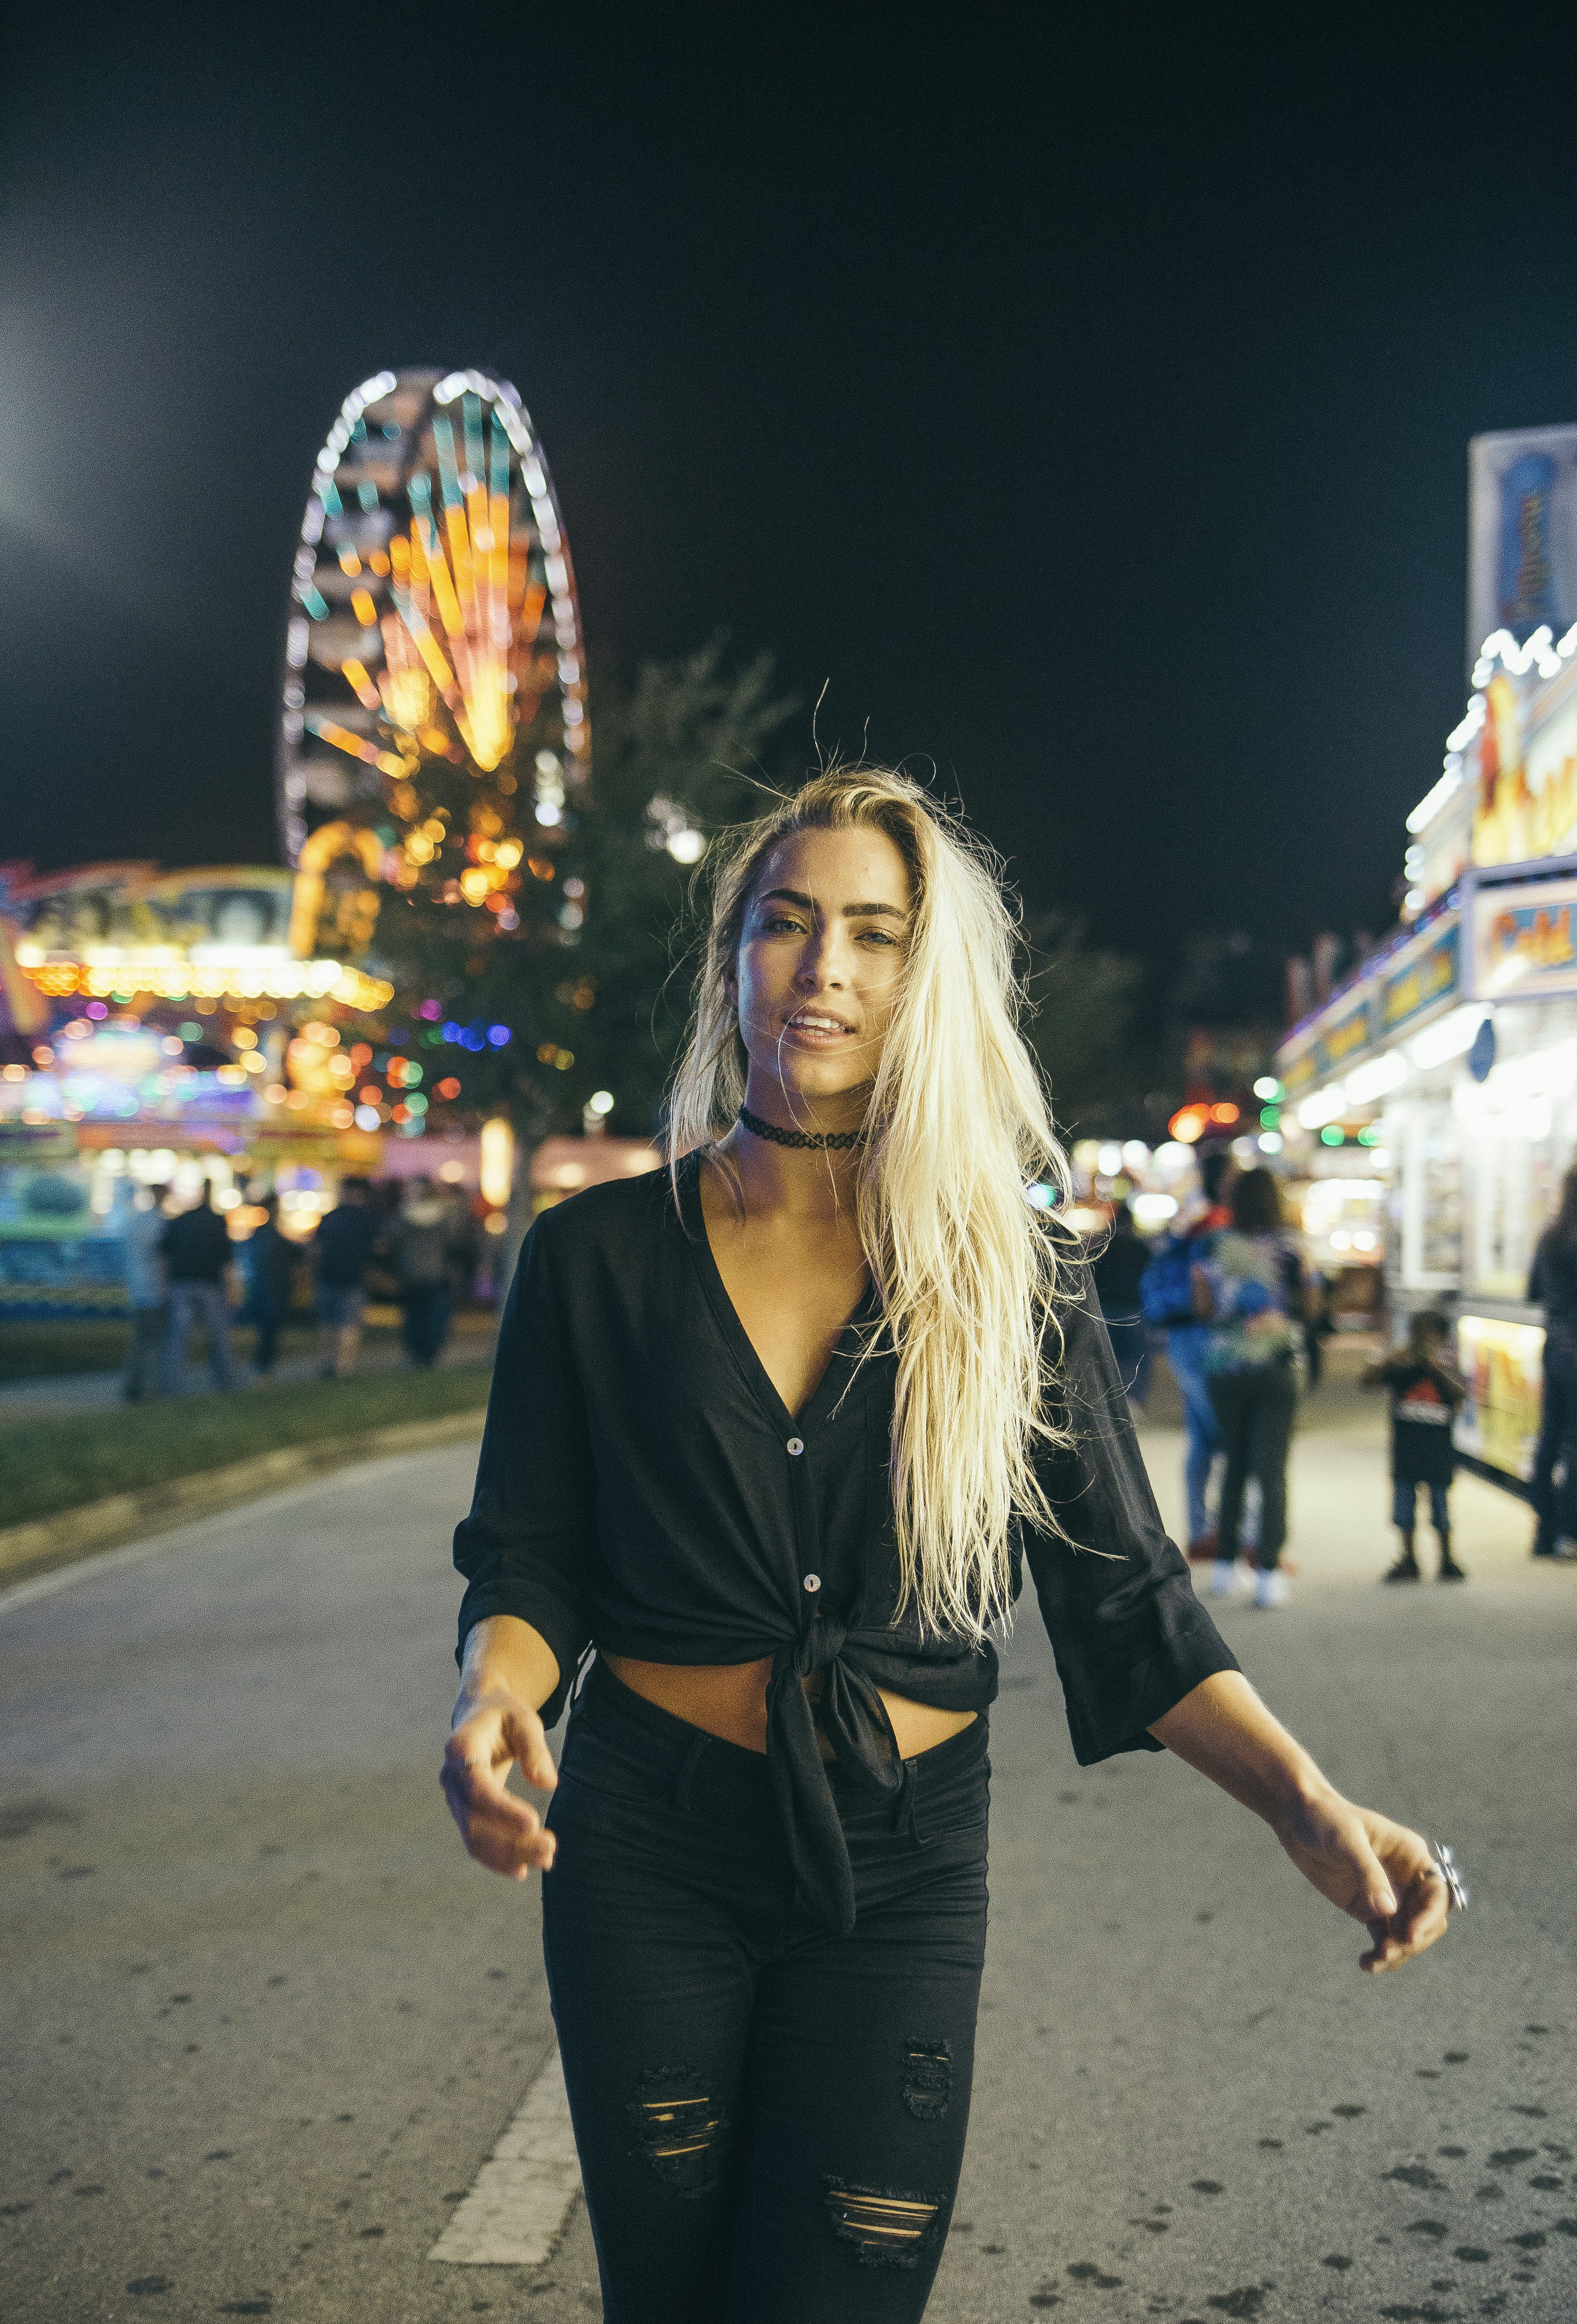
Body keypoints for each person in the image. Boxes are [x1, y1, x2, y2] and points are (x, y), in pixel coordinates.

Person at [440, 769, 1452, 2324]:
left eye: (872, 932)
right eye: (785, 923)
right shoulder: (593, 1258)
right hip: (646, 1847)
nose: (824, 966)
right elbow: (529, 1556)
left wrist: (1305, 1807)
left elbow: (1127, 1593)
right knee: (670, 2297)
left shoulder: (1005, 1273)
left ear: (930, 976)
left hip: (902, 1864)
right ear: (731, 959)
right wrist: (489, 1695)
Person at [1193, 1166, 1315, 1608]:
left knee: (1235, 1462)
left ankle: (1226, 1565)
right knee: (1273, 1469)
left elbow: (1203, 1306)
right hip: (1279, 1365)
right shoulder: (1294, 1246)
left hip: (1225, 1367)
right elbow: (1313, 1305)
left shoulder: (1214, 1246)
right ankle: (1269, 1572)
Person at [1139, 1154, 1230, 1554]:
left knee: (1202, 1437)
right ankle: (1229, 1531)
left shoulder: (1191, 1226)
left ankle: (1200, 1531)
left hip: (1182, 1338)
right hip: (1209, 1337)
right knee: (1224, 1432)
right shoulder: (1220, 1228)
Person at [1361, 1311, 1467, 1583]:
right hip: (1407, 1452)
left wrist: (1438, 1369)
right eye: (1418, 1335)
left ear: (1442, 1339)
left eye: (1430, 1336)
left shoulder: (1448, 1370)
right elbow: (1368, 1381)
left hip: (1438, 1453)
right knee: (1404, 1509)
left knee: (1441, 1509)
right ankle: (1409, 1559)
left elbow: (1462, 1395)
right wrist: (1391, 1359)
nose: (1423, 1342)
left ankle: (1446, 1558)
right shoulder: (1402, 1368)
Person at [1527, 1166, 1577, 1559]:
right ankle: (1568, 1531)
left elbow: (1532, 1291)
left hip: (1554, 1348)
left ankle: (1543, 1532)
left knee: (1549, 1442)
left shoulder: (1550, 1237)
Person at [159, 1180, 236, 1394]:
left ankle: (171, 1385)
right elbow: (226, 1261)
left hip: (181, 1284)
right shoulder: (217, 1222)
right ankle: (225, 1380)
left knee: (178, 1335)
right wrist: (231, 1291)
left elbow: (163, 1256)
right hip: (210, 1285)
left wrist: (163, 1287)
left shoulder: (180, 1221)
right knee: (219, 1334)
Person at [313, 1175, 378, 1378]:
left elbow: (315, 1250)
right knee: (350, 1323)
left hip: (328, 1276)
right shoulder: (367, 1219)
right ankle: (343, 1366)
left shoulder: (329, 1218)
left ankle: (326, 1363)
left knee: (328, 1323)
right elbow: (378, 1248)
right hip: (354, 1277)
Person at [1092, 1198, 1153, 1406]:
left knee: (1110, 1358)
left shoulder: (1102, 1248)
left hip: (1109, 1311)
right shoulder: (1140, 1249)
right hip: (1130, 1310)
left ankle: (1111, 1400)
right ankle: (1133, 1399)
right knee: (1136, 1358)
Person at [394, 1176, 454, 1367]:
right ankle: (429, 1354)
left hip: (416, 1273)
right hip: (435, 1273)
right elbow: (456, 1241)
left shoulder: (405, 1215)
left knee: (416, 1317)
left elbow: (393, 1237)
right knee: (432, 1317)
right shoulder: (445, 1215)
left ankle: (418, 1354)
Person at [120, 1180, 170, 1401]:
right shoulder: (156, 1222)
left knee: (142, 1340)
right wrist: (162, 1289)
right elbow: (158, 1258)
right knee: (150, 1342)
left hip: (138, 1289)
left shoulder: (137, 1220)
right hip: (152, 1290)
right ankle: (143, 1388)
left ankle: (134, 1387)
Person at [241, 1196, 300, 1380]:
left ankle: (264, 1367)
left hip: (266, 1288)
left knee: (268, 1330)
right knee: (269, 1329)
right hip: (271, 1289)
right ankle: (264, 1368)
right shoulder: (270, 1236)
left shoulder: (261, 1235)